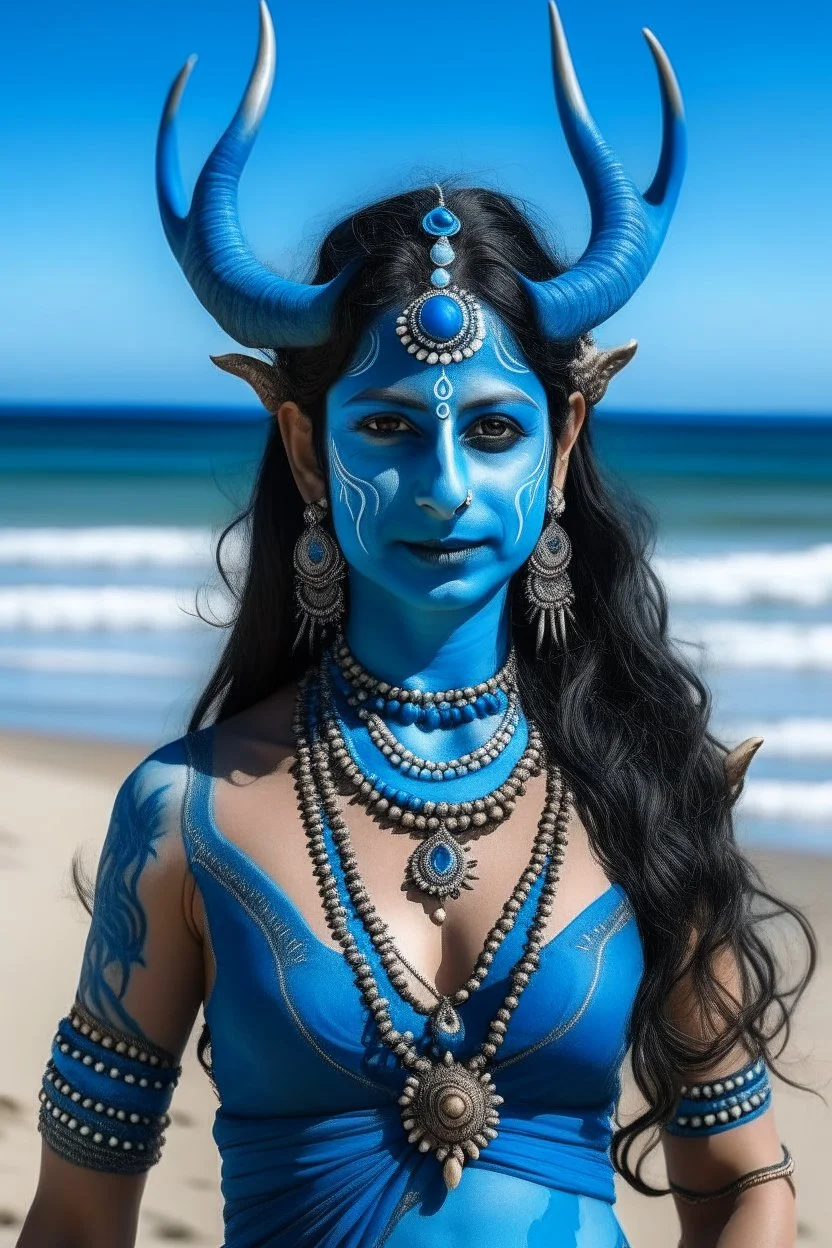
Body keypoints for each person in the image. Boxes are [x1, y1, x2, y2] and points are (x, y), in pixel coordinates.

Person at [18, 3, 817, 1246]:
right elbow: (75, 1220)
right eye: (387, 425)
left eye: (492, 428)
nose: (443, 482)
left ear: (560, 451)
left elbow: (745, 1191)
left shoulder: (652, 796)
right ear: (305, 447)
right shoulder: (182, 818)